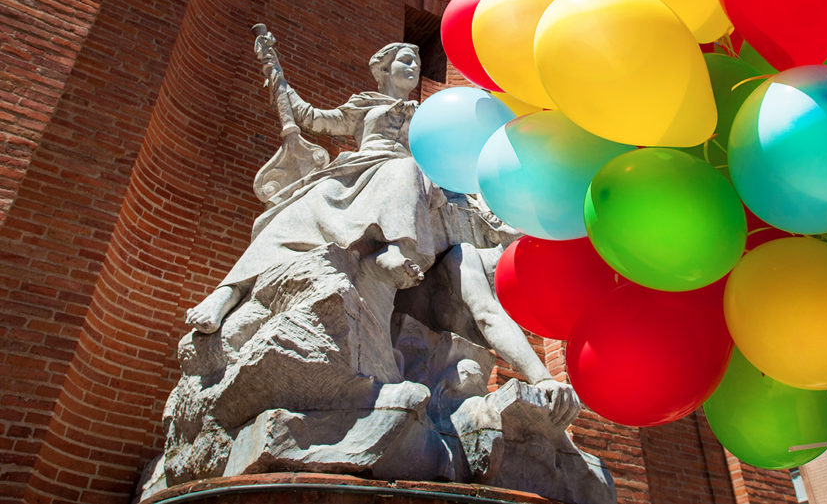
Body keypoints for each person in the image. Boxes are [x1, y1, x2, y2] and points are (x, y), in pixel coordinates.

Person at [183, 34, 578, 422]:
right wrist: (280, 82)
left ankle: (396, 249)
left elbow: (459, 165)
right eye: (405, 61)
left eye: (418, 63)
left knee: (406, 169)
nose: (414, 67)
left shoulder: (432, 117)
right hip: (359, 172)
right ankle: (226, 294)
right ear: (383, 70)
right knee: (293, 213)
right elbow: (312, 119)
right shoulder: (364, 106)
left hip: (414, 185)